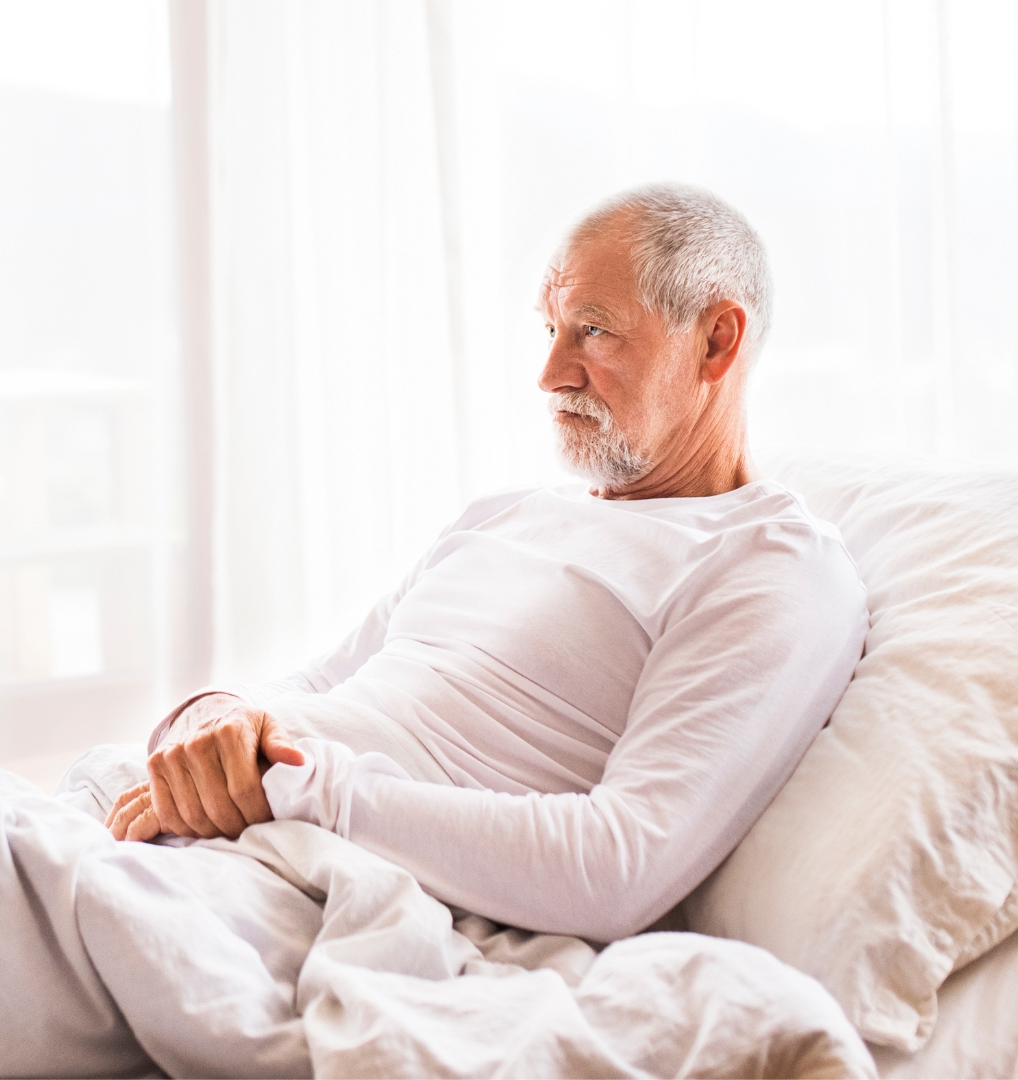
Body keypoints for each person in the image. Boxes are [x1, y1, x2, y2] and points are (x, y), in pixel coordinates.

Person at [107, 183, 867, 943]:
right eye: (551, 329)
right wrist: (210, 718)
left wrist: (302, 787)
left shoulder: (770, 565)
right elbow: (322, 681)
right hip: (204, 823)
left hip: (302, 873)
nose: (551, 375)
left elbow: (617, 866)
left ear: (716, 342)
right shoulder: (506, 514)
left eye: (595, 331)